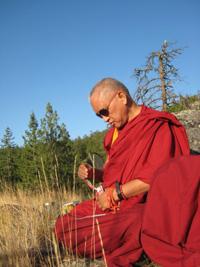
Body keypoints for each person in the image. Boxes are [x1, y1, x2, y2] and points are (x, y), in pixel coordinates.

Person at [55, 78, 190, 267]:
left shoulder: (157, 125)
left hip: (143, 206)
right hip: (111, 206)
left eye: (104, 111)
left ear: (121, 97)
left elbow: (159, 178)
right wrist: (94, 173)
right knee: (64, 224)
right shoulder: (114, 134)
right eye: (98, 115)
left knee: (138, 222)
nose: (105, 119)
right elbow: (113, 172)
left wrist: (115, 195)